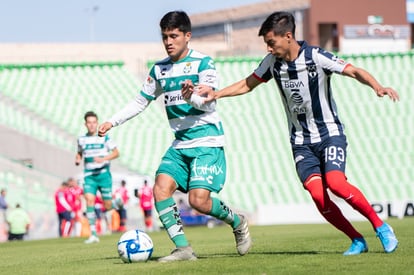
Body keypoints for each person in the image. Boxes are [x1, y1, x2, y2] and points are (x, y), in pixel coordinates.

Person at [195, 11, 399, 256]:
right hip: (301, 142)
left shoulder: (315, 56)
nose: (268, 49)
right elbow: (247, 83)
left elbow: (353, 70)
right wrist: (216, 94)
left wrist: (377, 86)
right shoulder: (272, 63)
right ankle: (356, 239)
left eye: (271, 42)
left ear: (288, 36)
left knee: (336, 183)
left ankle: (381, 227)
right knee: (317, 195)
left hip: (329, 134)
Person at [98, 10, 252, 262]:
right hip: (180, 144)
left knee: (198, 202)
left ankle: (238, 222)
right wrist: (111, 121)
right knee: (160, 189)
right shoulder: (159, 70)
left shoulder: (204, 64)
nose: (169, 42)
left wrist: (191, 95)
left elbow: (209, 104)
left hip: (207, 143)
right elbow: (140, 102)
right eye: (165, 37)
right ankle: (183, 249)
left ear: (187, 36)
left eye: (174, 36)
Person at [76, 111, 120, 244]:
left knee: (107, 206)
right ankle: (93, 234)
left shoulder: (105, 138)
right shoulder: (81, 139)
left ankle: (117, 203)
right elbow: (79, 153)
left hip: (103, 174)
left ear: (97, 123)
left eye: (94, 122)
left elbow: (117, 153)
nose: (91, 125)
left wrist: (103, 159)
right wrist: (77, 159)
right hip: (89, 176)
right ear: (85, 124)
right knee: (89, 201)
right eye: (89, 122)